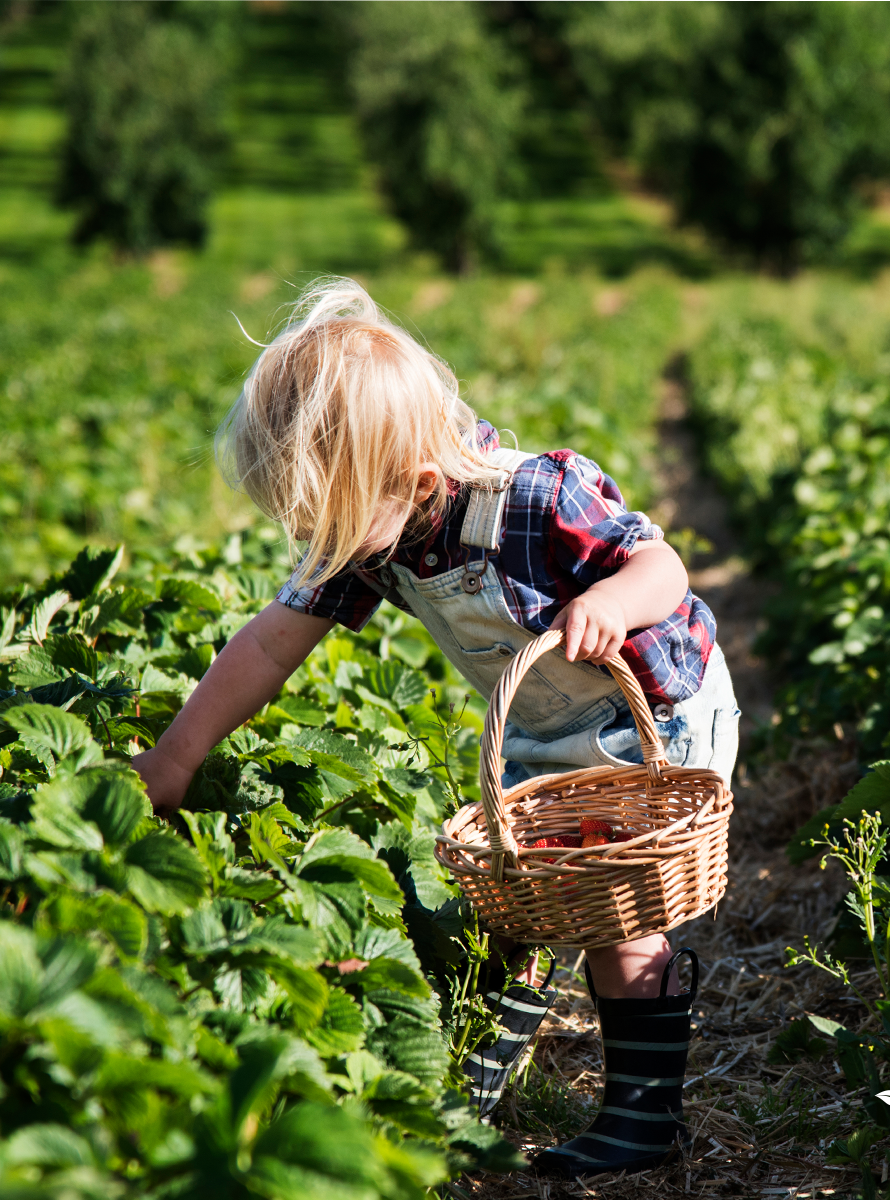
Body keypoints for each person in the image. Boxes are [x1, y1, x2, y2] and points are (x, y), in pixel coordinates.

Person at [132, 277, 739, 1178]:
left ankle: (643, 1117)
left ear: (416, 483)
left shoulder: (538, 498)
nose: (321, 544)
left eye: (328, 525)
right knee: (512, 899)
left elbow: (662, 563)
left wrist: (612, 600)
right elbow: (268, 645)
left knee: (618, 917)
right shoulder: (374, 530)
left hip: (647, 723)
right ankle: (471, 1097)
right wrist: (178, 755)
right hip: (537, 733)